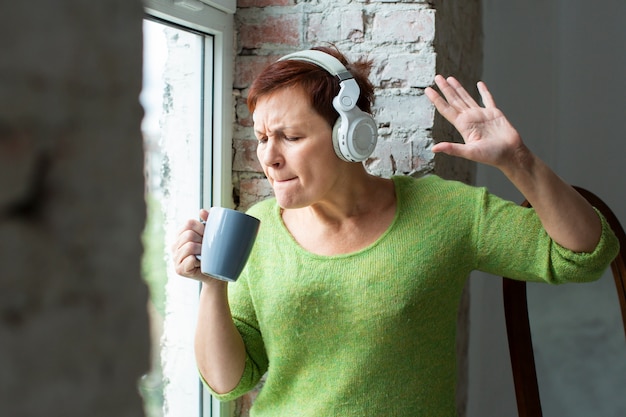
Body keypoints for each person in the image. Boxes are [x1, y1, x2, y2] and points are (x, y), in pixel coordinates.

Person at [171, 45, 619, 416]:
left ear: (351, 134)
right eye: (263, 137)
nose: (268, 157)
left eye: (290, 136)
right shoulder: (259, 228)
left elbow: (584, 255)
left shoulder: (443, 212)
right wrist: (212, 284)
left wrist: (516, 161)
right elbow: (229, 383)